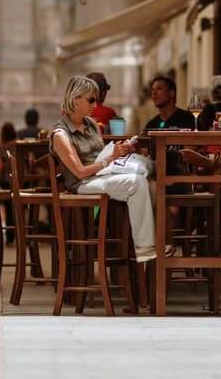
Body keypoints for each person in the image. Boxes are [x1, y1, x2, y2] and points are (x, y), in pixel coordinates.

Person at [50, 75, 164, 267]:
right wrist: (111, 157)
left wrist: (119, 152)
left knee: (149, 175)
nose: (96, 104)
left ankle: (144, 245)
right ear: (75, 99)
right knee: (136, 182)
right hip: (83, 183)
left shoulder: (91, 124)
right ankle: (144, 249)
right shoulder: (60, 134)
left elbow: (100, 155)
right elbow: (79, 172)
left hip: (102, 175)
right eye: (91, 99)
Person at [0, 121, 17, 244]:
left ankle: (9, 237)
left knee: (8, 209)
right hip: (19, 180)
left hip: (5, 180)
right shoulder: (19, 145)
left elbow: (0, 166)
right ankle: (21, 233)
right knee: (20, 208)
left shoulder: (1, 147)